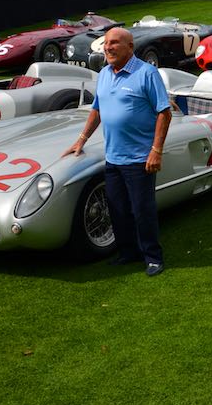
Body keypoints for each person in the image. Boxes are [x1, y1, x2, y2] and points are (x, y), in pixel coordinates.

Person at [65, 27, 172, 276]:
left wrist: (156, 150)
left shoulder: (146, 73)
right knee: (117, 209)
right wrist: (81, 139)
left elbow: (164, 112)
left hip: (139, 159)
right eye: (106, 44)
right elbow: (97, 109)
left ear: (130, 47)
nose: (108, 48)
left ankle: (153, 257)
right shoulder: (103, 74)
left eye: (114, 43)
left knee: (142, 211)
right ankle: (128, 253)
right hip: (112, 157)